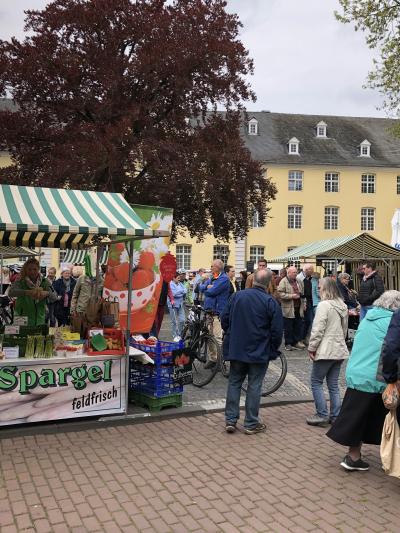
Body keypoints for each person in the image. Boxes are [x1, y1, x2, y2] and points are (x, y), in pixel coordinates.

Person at [327, 290, 400, 471]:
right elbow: (390, 351)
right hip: (377, 378)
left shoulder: (369, 317)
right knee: (390, 422)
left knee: (358, 418)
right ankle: (390, 460)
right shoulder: (392, 321)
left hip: (357, 374)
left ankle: (353, 457)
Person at [222, 269, 283, 434]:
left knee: (234, 382)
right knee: (254, 385)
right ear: (270, 282)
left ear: (253, 279)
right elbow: (277, 331)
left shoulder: (237, 296)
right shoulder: (270, 301)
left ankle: (231, 420)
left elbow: (224, 319)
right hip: (259, 350)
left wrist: (232, 334)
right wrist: (272, 349)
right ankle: (250, 423)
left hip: (237, 348)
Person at [306, 277, 349, 427]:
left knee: (316, 382)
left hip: (325, 349)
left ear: (326, 289)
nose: (318, 289)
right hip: (338, 349)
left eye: (319, 287)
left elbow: (317, 330)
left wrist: (312, 347)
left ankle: (322, 414)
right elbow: (344, 330)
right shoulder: (342, 305)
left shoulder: (324, 305)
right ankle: (335, 416)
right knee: (333, 384)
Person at [199, 259, 230, 368]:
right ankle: (213, 359)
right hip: (209, 311)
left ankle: (221, 361)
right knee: (209, 336)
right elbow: (201, 287)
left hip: (218, 313)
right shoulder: (213, 277)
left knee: (217, 338)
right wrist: (206, 287)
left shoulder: (224, 279)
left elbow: (212, 292)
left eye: (212, 266)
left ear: (218, 267)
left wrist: (207, 289)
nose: (211, 268)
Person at [8, 258, 57, 326]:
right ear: (26, 269)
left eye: (35, 269)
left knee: (36, 336)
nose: (32, 272)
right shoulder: (20, 280)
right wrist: (27, 292)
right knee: (21, 335)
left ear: (38, 269)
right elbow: (11, 292)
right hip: (22, 317)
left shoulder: (45, 281)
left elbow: (55, 297)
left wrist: (47, 293)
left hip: (39, 319)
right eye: (29, 269)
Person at [277, 266, 306, 350]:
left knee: (298, 325)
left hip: (298, 307)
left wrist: (304, 303)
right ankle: (288, 343)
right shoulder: (284, 281)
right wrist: (291, 296)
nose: (295, 274)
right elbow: (280, 294)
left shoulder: (299, 281)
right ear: (288, 273)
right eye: (293, 272)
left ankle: (296, 342)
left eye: (296, 272)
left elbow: (302, 293)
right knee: (288, 327)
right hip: (288, 308)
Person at [297, 264, 315, 343]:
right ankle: (300, 339)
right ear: (306, 270)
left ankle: (304, 338)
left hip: (309, 301)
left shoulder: (309, 278)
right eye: (311, 269)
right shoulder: (299, 278)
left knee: (309, 320)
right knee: (302, 321)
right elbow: (300, 292)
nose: (313, 271)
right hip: (302, 301)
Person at [167, 271, 187, 341]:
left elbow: (185, 291)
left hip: (180, 304)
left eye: (179, 278)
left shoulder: (180, 284)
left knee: (182, 320)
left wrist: (180, 292)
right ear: (173, 278)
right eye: (178, 278)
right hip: (173, 305)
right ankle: (175, 335)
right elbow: (174, 294)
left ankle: (180, 334)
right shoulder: (170, 284)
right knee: (174, 321)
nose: (179, 279)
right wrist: (181, 292)